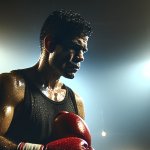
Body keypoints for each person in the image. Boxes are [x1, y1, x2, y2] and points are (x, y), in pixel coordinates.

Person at [0, 9, 93, 150]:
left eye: (83, 50)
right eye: (74, 47)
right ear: (50, 44)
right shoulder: (13, 86)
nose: (81, 57)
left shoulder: (76, 102)